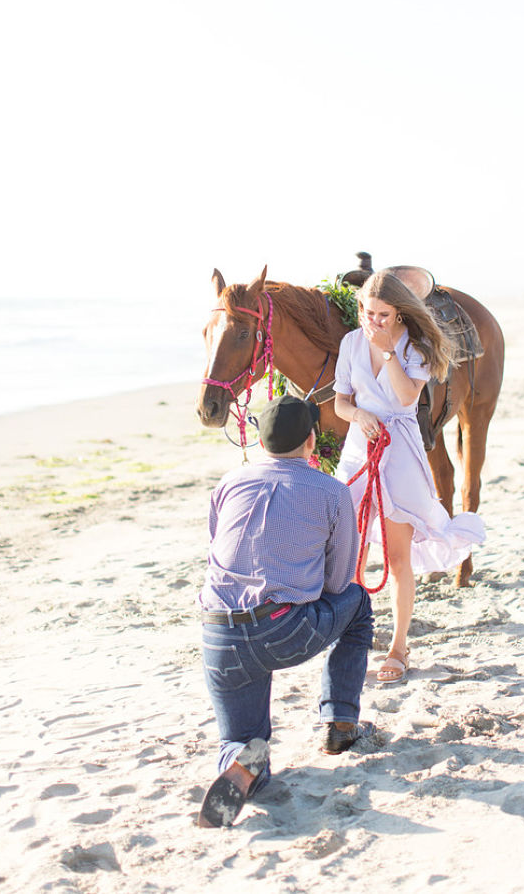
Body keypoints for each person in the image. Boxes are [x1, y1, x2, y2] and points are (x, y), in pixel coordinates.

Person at [198, 394, 373, 828]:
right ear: (312, 441)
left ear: (261, 442)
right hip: (282, 630)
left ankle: (241, 762)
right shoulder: (333, 491)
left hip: (218, 633)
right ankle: (340, 723)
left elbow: (216, 548)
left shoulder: (230, 482)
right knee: (358, 604)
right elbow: (338, 584)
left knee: (240, 737)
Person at [333, 270, 485, 686]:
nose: (373, 322)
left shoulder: (414, 346)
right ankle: (353, 637)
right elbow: (343, 402)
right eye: (367, 312)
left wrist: (386, 352)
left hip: (398, 449)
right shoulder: (350, 343)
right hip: (357, 449)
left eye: (382, 314)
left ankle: (399, 645)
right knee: (353, 555)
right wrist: (359, 414)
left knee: (398, 558)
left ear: (400, 314)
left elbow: (404, 397)